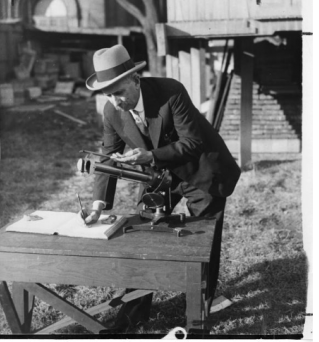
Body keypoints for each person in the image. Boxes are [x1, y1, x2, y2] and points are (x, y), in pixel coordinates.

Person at [84, 44, 241, 330]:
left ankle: (199, 311)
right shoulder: (111, 111)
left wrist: (150, 156)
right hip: (160, 177)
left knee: (201, 244)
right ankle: (134, 312)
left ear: (135, 80)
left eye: (119, 92)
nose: (115, 101)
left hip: (202, 170)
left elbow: (193, 142)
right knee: (142, 235)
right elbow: (106, 159)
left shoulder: (171, 91)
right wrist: (98, 206)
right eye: (108, 94)